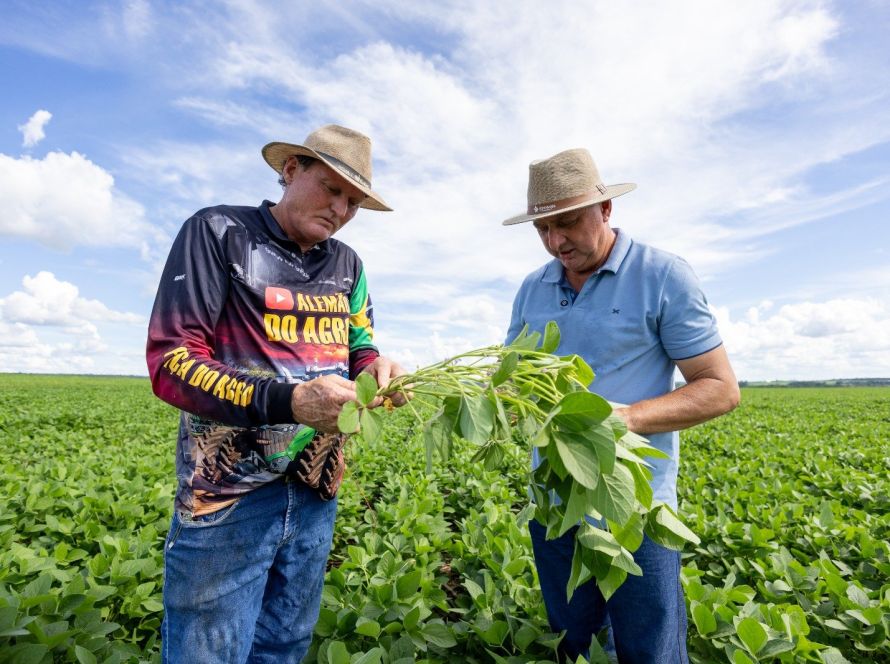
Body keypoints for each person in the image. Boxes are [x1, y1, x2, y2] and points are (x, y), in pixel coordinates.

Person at [146, 124, 406, 663]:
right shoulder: (219, 232)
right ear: (290, 170)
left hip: (316, 486)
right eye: (330, 188)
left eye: (353, 201)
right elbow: (172, 361)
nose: (340, 209)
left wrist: (377, 368)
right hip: (229, 494)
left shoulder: (347, 265)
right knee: (207, 652)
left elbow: (360, 347)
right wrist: (289, 401)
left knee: (284, 643)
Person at [503, 148, 740, 663]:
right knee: (571, 640)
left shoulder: (663, 275)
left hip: (636, 504)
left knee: (649, 647)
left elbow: (719, 387)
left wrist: (626, 418)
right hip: (553, 504)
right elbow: (515, 376)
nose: (555, 241)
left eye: (567, 223)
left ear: (606, 211)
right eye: (542, 229)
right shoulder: (532, 287)